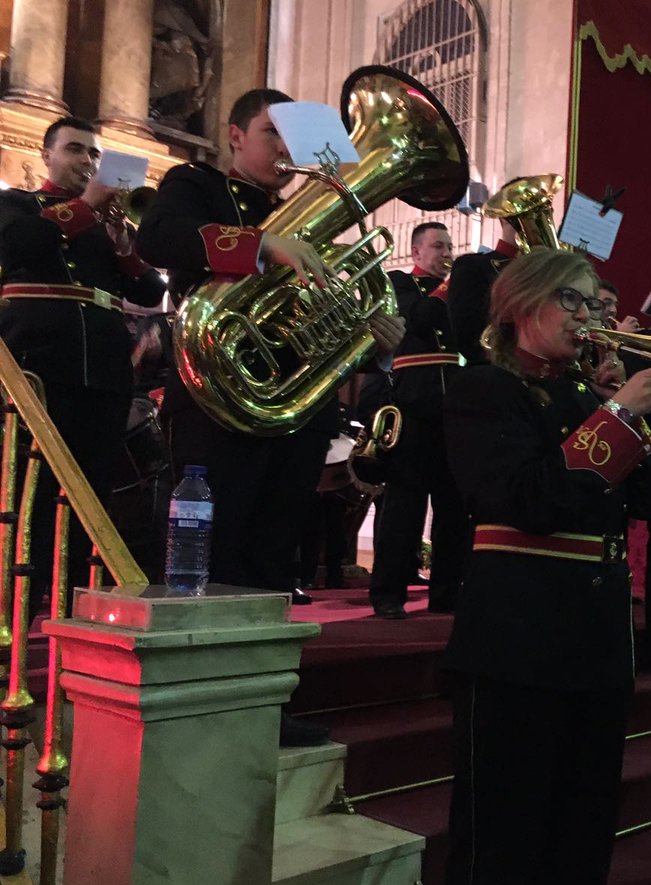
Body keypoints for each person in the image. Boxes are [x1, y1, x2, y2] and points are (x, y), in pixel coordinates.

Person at [136, 87, 405, 745]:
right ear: (234, 135)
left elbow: (321, 308)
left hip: (293, 406)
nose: (284, 151)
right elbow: (158, 237)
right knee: (217, 550)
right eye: (270, 134)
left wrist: (368, 327)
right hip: (218, 400)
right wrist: (261, 246)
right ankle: (200, 705)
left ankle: (262, 708)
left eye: (292, 139)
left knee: (273, 555)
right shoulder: (194, 183)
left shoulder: (297, 211)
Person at [441, 248, 651, 885]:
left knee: (583, 834)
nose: (588, 315)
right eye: (571, 299)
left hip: (596, 646)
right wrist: (617, 416)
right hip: (517, 644)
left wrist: (623, 415)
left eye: (593, 301)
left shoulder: (584, 395)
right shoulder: (482, 390)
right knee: (503, 843)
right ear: (521, 305)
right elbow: (530, 499)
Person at [0, 116, 165, 615]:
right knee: (33, 487)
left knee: (91, 489)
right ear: (47, 155)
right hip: (40, 363)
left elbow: (150, 293)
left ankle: (68, 600)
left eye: (95, 155)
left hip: (105, 371)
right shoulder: (16, 204)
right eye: (76, 150)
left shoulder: (107, 225)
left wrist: (124, 246)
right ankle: (15, 601)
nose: (89, 162)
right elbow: (19, 247)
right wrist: (87, 207)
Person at [367, 222, 470, 617]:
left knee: (453, 508)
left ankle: (447, 592)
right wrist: (451, 287)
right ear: (416, 252)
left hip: (456, 405)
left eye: (449, 246)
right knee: (404, 508)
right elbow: (419, 320)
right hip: (414, 400)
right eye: (438, 246)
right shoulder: (398, 283)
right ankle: (388, 593)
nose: (447, 252)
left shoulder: (457, 293)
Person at [445, 216, 520, 365]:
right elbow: (469, 340)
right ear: (504, 218)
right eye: (517, 219)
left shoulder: (550, 269)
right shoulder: (474, 266)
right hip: (498, 371)